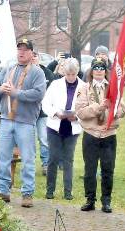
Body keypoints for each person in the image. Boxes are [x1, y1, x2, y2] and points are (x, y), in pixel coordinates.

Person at [0, 38, 46, 208]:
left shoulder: (37, 72)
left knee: (28, 159)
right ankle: (2, 190)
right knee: (3, 157)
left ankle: (27, 193)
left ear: (31, 53)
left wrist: (15, 93)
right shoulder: (8, 69)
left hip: (26, 122)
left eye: (25, 49)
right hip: (6, 120)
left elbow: (38, 94)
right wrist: (1, 90)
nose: (21, 52)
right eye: (19, 49)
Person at [75, 58, 125, 213]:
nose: (98, 70)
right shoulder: (84, 88)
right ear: (91, 71)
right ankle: (90, 199)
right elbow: (81, 112)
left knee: (108, 169)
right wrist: (99, 107)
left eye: (102, 67)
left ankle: (106, 201)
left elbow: (124, 110)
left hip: (109, 134)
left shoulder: (113, 88)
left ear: (106, 71)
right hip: (91, 134)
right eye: (96, 67)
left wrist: (114, 110)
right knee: (90, 169)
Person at [42, 57, 85, 200]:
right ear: (64, 73)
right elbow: (46, 104)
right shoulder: (55, 84)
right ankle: (50, 190)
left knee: (68, 159)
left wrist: (77, 117)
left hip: (72, 127)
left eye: (73, 74)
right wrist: (56, 113)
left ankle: (68, 191)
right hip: (55, 125)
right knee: (53, 158)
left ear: (77, 72)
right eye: (68, 74)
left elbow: (86, 108)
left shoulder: (84, 86)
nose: (71, 77)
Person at [32, 51, 55, 175]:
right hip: (28, 113)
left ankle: (46, 164)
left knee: (44, 139)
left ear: (39, 58)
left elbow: (52, 92)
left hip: (43, 113)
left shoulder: (47, 73)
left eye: (36, 56)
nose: (33, 58)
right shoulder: (26, 71)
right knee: (29, 140)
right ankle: (29, 164)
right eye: (32, 56)